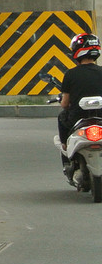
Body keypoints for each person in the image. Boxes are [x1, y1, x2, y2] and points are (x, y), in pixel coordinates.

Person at [58, 33, 102, 180]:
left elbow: (65, 104)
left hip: (77, 119)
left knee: (61, 117)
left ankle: (65, 146)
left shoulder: (70, 74)